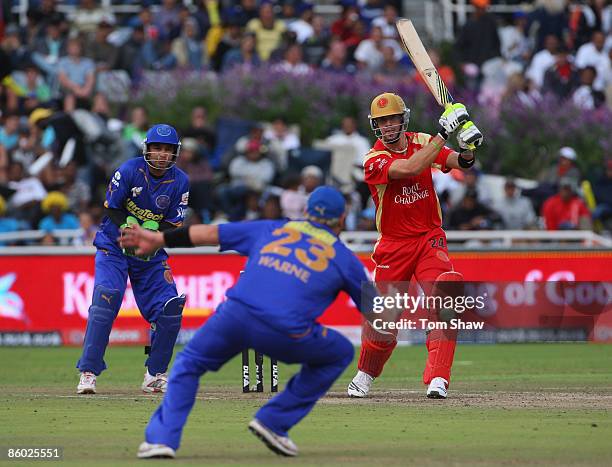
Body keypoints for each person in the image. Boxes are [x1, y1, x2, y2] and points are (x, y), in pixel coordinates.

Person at [119, 186, 373, 459]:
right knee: (340, 352)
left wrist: (159, 239)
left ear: (307, 211)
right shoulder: (345, 259)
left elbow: (208, 233)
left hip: (235, 316)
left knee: (188, 364)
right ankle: (273, 421)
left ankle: (160, 440)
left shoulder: (273, 228)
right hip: (286, 330)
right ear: (343, 218)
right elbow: (377, 311)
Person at [347, 92, 483, 400]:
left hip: (428, 238)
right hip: (393, 247)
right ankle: (366, 373)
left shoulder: (422, 140)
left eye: (393, 119)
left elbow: (456, 161)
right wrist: (444, 133)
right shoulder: (373, 159)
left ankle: (439, 378)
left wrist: (468, 148)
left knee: (447, 294)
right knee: (383, 323)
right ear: (375, 126)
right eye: (382, 122)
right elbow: (408, 168)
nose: (388, 126)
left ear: (402, 119)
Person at [75, 124, 190, 395]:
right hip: (114, 247)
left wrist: (153, 231)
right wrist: (128, 225)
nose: (162, 154)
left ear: (175, 153)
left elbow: (174, 223)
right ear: (147, 149)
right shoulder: (129, 170)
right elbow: (111, 208)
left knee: (170, 310)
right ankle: (88, 372)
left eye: (167, 150)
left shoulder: (181, 181)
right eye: (157, 148)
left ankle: (154, 374)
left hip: (148, 253)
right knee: (106, 300)